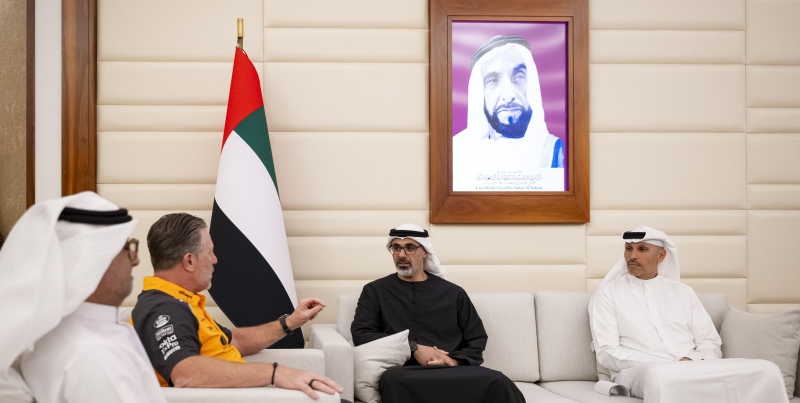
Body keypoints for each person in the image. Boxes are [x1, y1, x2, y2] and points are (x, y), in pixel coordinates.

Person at [131, 212, 344, 401]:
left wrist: (290, 322)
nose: (215, 260)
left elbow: (235, 340)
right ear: (189, 261)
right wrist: (276, 373)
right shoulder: (163, 309)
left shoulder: (182, 302)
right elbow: (185, 372)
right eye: (210, 252)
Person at [588, 226, 789, 402]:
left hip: (694, 367)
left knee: (767, 370)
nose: (632, 255)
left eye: (642, 249)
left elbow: (710, 342)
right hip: (641, 371)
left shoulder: (683, 293)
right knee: (662, 377)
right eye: (628, 248)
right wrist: (665, 365)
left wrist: (691, 362)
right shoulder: (607, 294)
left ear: (661, 256)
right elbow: (607, 352)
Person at [0, 191, 167, 403]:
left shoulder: (59, 334)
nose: (134, 260)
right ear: (94, 261)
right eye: (126, 248)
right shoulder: (95, 355)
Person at [351, 223, 525, 403]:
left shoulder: (453, 293)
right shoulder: (375, 291)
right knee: (393, 381)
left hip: (451, 369)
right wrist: (412, 347)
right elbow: (361, 335)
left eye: (410, 247)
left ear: (424, 251)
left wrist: (454, 361)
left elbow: (476, 339)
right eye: (396, 248)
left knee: (498, 381)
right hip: (404, 372)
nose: (401, 254)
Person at [453, 34, 564, 192]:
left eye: (518, 76)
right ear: (480, 94)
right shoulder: (456, 152)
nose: (508, 95)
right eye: (492, 81)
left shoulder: (555, 152)